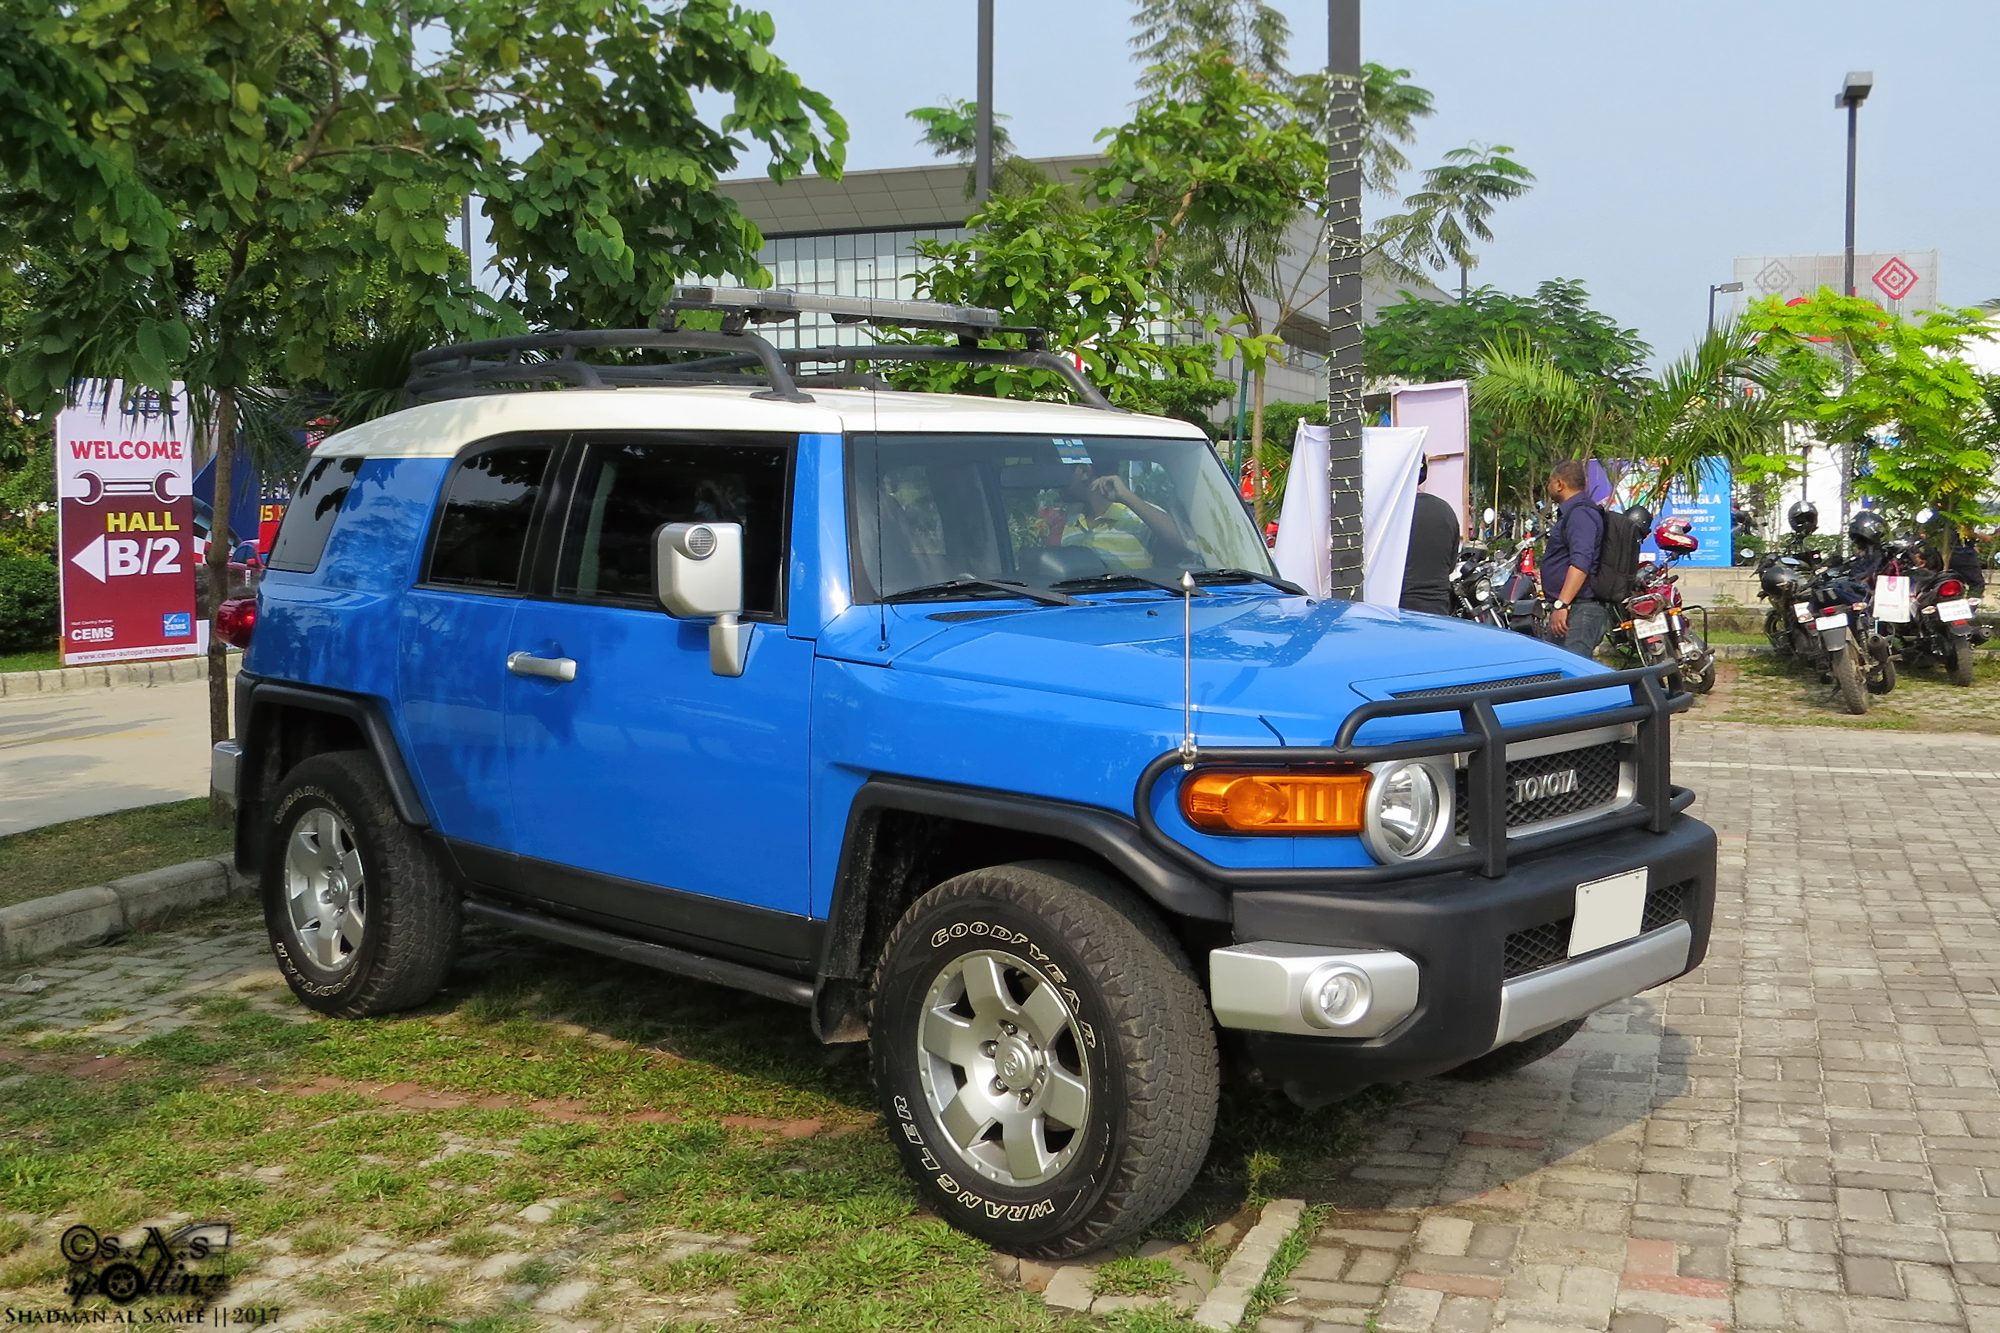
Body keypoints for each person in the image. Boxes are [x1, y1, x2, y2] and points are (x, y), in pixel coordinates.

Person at [1060, 462, 1188, 570]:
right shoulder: (1072, 523)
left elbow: (1187, 544)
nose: (1056, 479)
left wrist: (1126, 496)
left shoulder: (1140, 516)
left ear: (1084, 472)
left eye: (1059, 468)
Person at [1540, 460, 1608, 657]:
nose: (1548, 486)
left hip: (1578, 609)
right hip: (1571, 607)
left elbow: (1581, 562)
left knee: (1573, 679)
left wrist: (1562, 604)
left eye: (1550, 482)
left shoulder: (1580, 514)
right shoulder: (1574, 513)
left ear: (1560, 484)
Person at [1398, 459, 1459, 615]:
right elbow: (1450, 566)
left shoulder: (1391, 516)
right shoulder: (1446, 511)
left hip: (1397, 612)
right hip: (1438, 610)